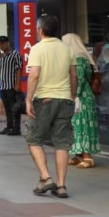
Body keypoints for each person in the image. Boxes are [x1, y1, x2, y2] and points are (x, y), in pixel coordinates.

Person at [24, 15, 77, 199]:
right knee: (62, 142)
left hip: (44, 100)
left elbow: (34, 75)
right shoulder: (67, 48)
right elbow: (74, 75)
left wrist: (28, 99)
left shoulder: (37, 49)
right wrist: (73, 95)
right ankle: (61, 186)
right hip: (65, 100)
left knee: (33, 139)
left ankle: (46, 177)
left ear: (40, 30)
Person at [62, 33, 100, 169]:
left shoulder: (78, 60)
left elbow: (78, 80)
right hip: (83, 98)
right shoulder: (84, 58)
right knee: (77, 127)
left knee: (83, 128)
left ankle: (87, 157)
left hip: (81, 99)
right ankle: (78, 155)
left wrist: (72, 95)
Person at [0, 35, 24, 135]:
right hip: (3, 86)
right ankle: (9, 126)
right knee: (7, 108)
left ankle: (16, 128)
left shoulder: (15, 54)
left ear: (7, 43)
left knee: (14, 107)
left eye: (2, 43)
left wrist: (18, 84)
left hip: (12, 86)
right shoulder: (0, 57)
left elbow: (19, 69)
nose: (0, 46)